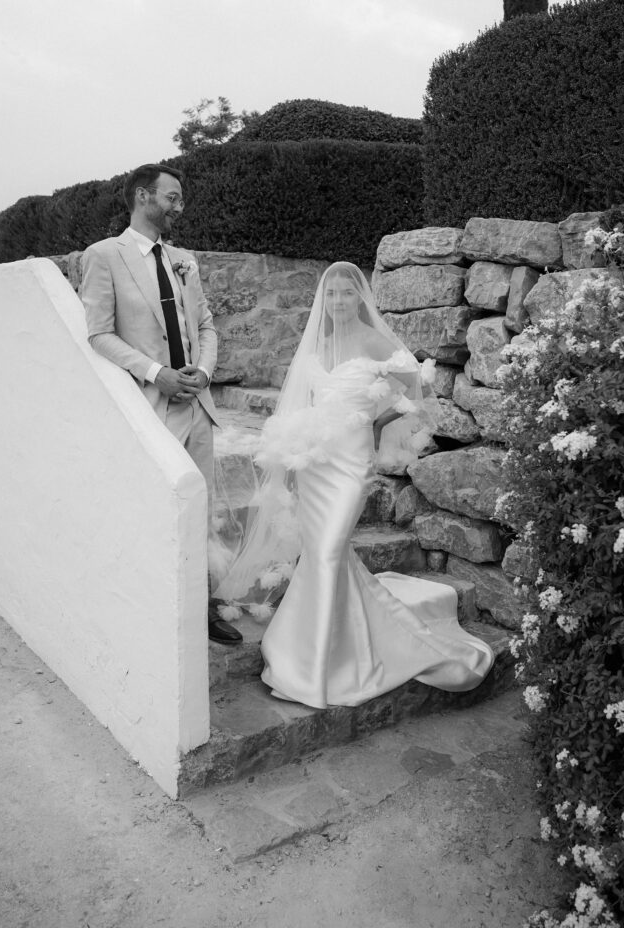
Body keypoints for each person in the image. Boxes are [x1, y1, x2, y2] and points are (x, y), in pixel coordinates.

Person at [213, 261, 494, 707]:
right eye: (332, 294)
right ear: (323, 300)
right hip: (317, 463)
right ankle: (313, 648)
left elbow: (415, 391)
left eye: (346, 293)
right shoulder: (317, 343)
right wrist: (291, 455)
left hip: (350, 463)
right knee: (323, 554)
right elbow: (300, 406)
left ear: (358, 298)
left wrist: (377, 424)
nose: (339, 301)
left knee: (328, 551)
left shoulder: (375, 338)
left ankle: (318, 668)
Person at [80, 163, 242, 645]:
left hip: (198, 407)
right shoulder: (104, 256)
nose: (179, 206)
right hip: (151, 408)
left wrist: (204, 373)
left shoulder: (184, 258)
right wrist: (158, 374)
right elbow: (98, 334)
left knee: (202, 511)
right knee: (152, 510)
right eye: (172, 197)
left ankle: (202, 607)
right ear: (143, 196)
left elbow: (207, 325)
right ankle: (150, 608)